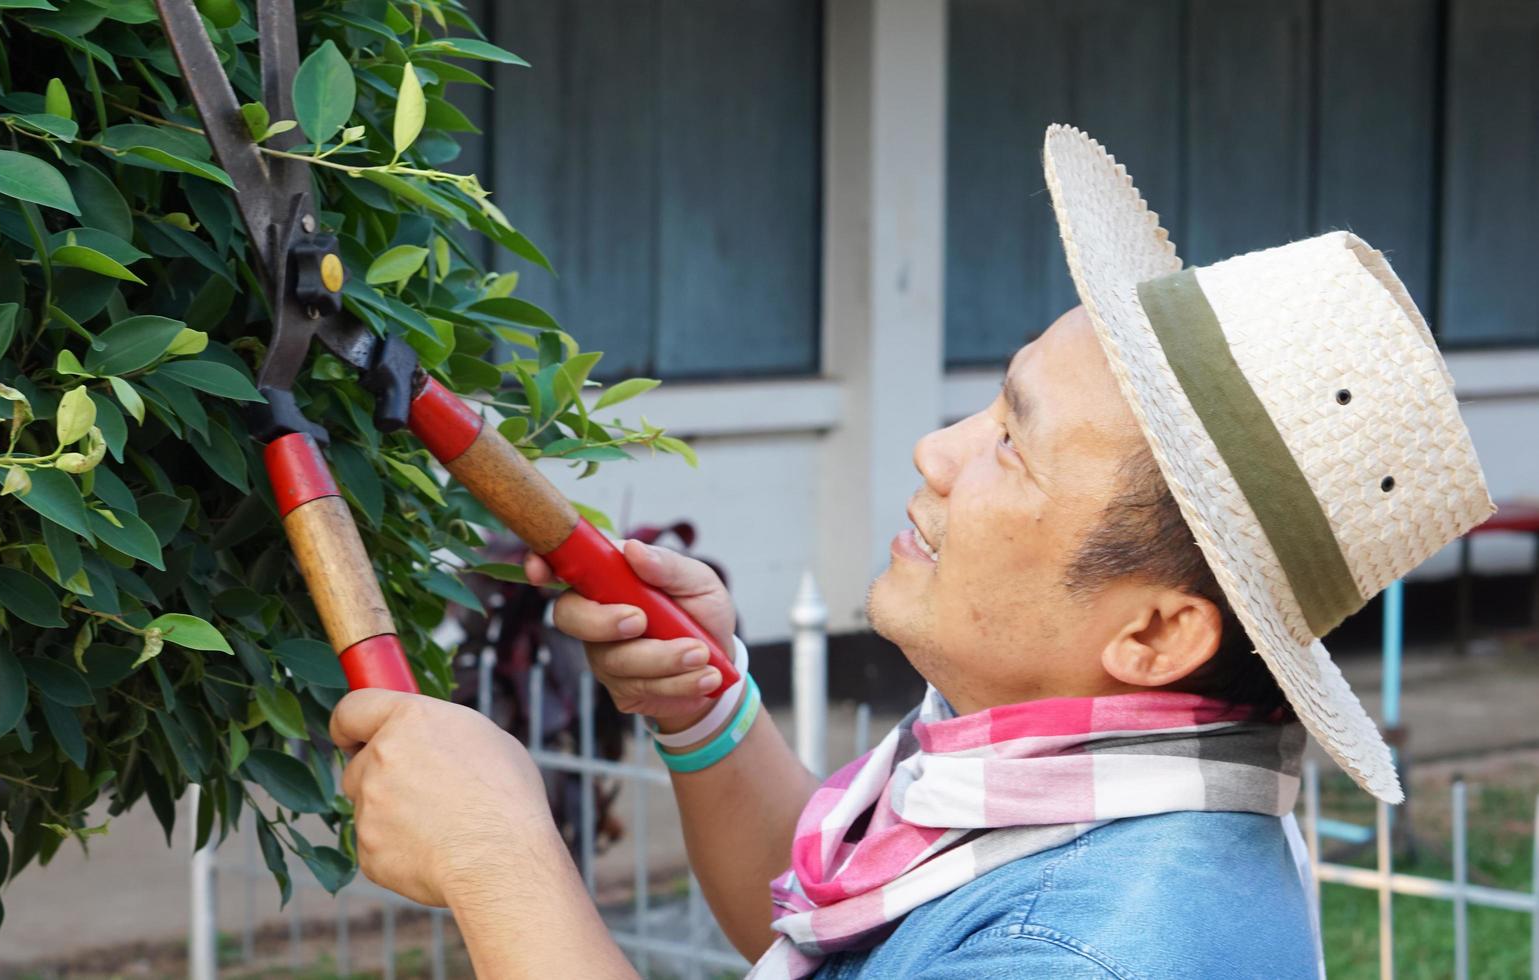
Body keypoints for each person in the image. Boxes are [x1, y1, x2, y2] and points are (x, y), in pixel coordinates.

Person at [327, 127, 1495, 978]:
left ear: (1152, 632)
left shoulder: (1092, 955)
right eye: (991, 406)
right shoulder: (1074, 770)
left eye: (1013, 447)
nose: (938, 451)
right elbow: (830, 922)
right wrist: (708, 714)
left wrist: (499, 859)